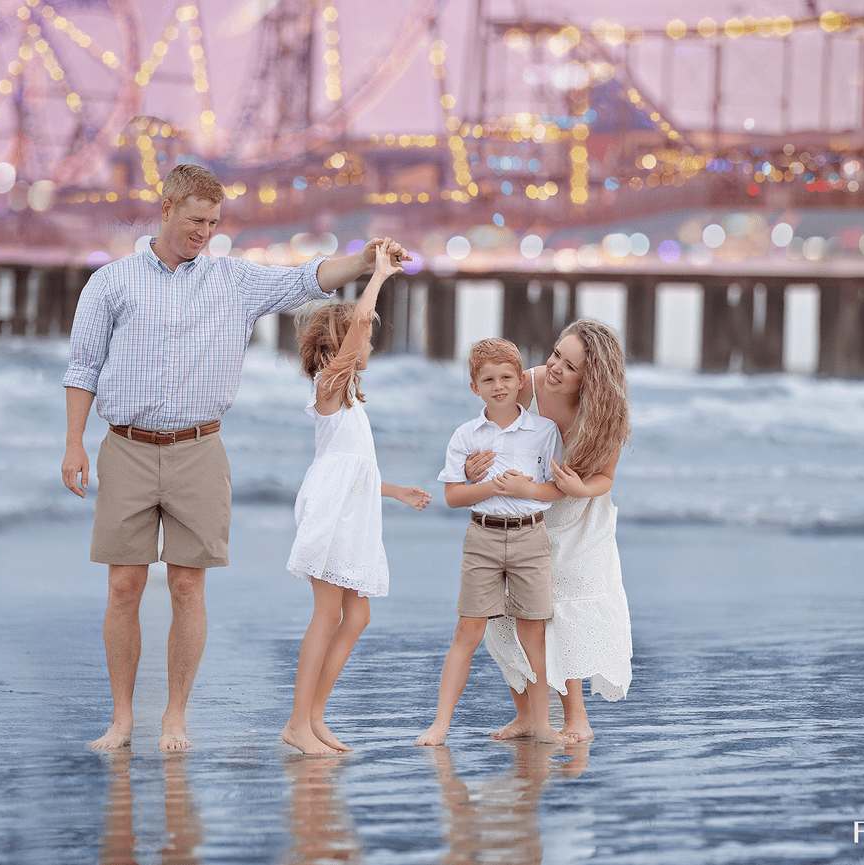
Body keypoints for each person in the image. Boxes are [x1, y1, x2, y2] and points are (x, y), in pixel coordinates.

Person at [61, 163, 404, 752]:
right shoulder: (110, 283)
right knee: (123, 586)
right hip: (127, 446)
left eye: (213, 223)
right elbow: (83, 367)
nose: (204, 231)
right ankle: (121, 719)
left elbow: (307, 279)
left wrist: (364, 262)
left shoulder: (232, 280)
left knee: (188, 588)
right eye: (196, 220)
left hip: (200, 448)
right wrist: (73, 445)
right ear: (166, 209)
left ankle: (175, 716)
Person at [282, 240, 431, 755]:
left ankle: (314, 714)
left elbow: (354, 468)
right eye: (360, 339)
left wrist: (394, 491)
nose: (369, 344)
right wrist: (379, 276)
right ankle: (297, 722)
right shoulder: (328, 385)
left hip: (353, 508)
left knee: (358, 615)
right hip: (331, 511)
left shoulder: (349, 402)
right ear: (339, 343)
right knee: (328, 612)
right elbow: (362, 325)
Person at [473, 319, 633, 742]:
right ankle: (526, 714)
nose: (555, 368)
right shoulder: (529, 385)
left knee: (559, 612)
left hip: (580, 518)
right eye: (556, 354)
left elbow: (606, 478)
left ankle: (576, 717)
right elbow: (492, 422)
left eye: (571, 366)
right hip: (529, 509)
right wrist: (474, 467)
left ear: (593, 379)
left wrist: (581, 487)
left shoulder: (606, 413)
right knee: (505, 609)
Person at [416, 338, 568, 747]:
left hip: (530, 537)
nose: (498, 385)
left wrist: (523, 488)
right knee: (468, 630)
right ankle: (440, 725)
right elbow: (451, 497)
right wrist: (486, 487)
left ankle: (541, 724)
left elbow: (557, 490)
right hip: (482, 538)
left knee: (533, 633)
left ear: (521, 381)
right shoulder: (466, 436)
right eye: (488, 379)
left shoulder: (544, 431)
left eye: (506, 377)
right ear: (474, 387)